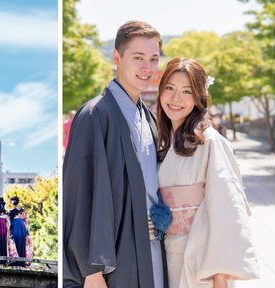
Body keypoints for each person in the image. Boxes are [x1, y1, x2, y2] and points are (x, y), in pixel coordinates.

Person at [63, 20, 168, 287]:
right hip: (115, 258)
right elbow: (79, 195)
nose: (148, 68)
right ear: (117, 58)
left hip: (153, 248)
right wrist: (91, 271)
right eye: (138, 58)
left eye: (154, 59)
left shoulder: (148, 117)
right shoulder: (95, 115)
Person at [156, 58, 259, 288]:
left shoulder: (210, 141)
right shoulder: (166, 143)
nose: (176, 98)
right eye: (170, 88)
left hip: (202, 260)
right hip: (170, 252)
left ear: (199, 97)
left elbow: (227, 207)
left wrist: (220, 276)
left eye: (186, 91)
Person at [9, 195, 33, 266]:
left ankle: (16, 263)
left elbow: (9, 221)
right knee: (22, 243)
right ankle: (22, 263)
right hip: (22, 226)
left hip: (15, 226)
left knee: (15, 243)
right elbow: (26, 221)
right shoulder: (23, 211)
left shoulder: (11, 212)